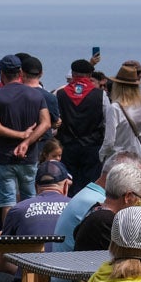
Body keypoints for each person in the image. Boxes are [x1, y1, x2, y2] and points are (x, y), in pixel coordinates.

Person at [0, 55, 51, 222]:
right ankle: (31, 235)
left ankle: (8, 239)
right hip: (29, 156)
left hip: (4, 156)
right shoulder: (36, 95)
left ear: (1, 74)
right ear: (20, 72)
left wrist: (20, 136)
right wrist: (26, 141)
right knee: (30, 199)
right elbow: (46, 123)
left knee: (7, 201)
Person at [55, 60, 106, 191]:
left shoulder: (60, 93)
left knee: (69, 183)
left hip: (67, 146)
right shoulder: (101, 95)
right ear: (90, 75)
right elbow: (107, 121)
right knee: (90, 185)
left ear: (72, 74)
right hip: (92, 146)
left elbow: (55, 119)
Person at [99, 64, 141, 167]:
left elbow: (109, 141)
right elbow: (140, 133)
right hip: (137, 156)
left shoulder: (115, 108)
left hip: (118, 159)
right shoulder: (140, 105)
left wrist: (101, 154)